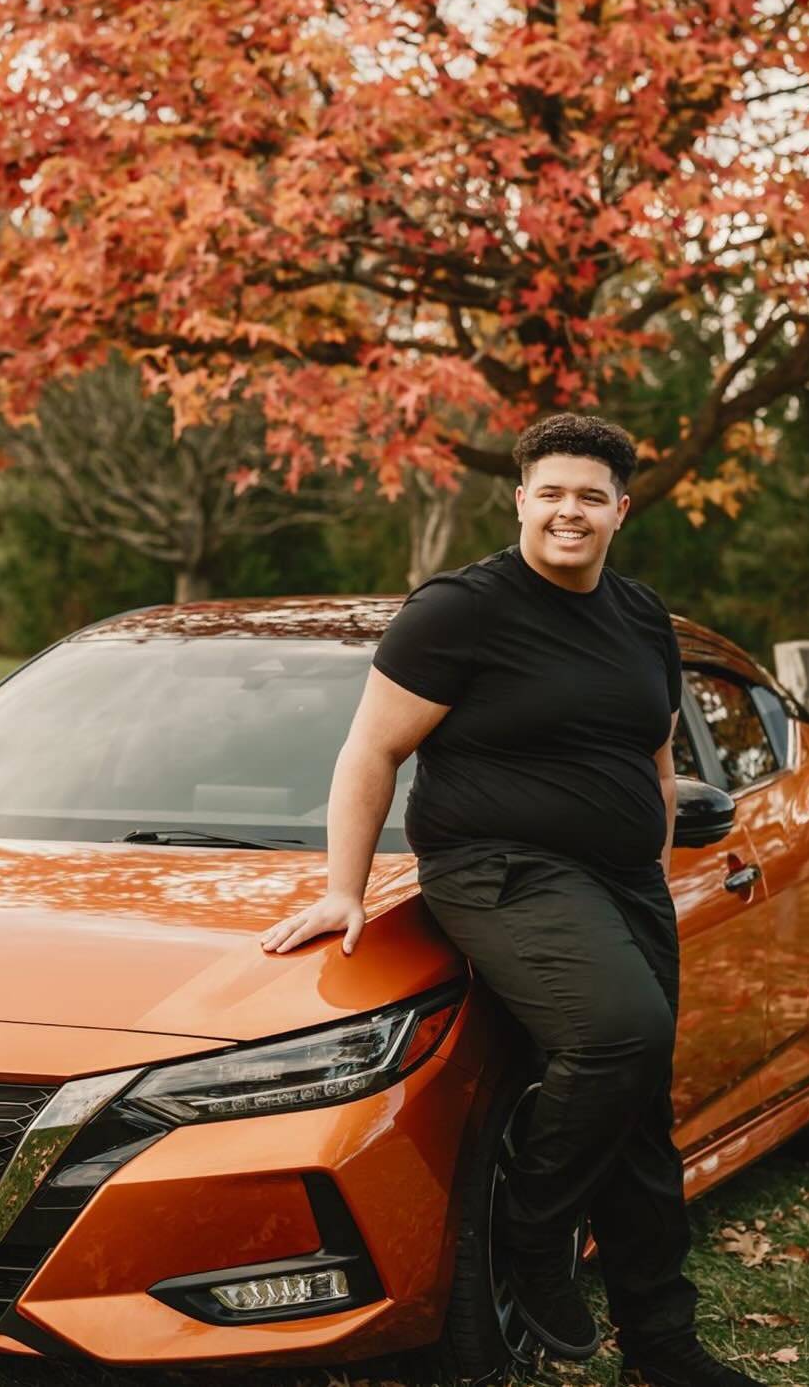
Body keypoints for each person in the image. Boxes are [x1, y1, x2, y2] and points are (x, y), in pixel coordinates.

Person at [259, 412, 766, 1387]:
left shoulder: (639, 616)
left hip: (623, 887)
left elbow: (652, 759)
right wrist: (342, 888)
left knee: (639, 1114)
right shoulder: (462, 610)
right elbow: (371, 749)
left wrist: (649, 869)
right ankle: (533, 1234)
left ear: (621, 510)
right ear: (521, 499)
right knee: (619, 1035)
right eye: (552, 492)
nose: (569, 511)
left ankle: (660, 1345)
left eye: (591, 496)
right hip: (500, 870)